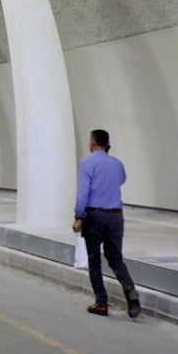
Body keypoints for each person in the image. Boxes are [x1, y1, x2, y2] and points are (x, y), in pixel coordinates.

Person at [73, 129, 141, 318]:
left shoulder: (87, 163)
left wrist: (79, 216)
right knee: (116, 259)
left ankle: (101, 303)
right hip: (116, 216)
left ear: (93, 142)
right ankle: (130, 290)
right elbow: (121, 181)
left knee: (95, 260)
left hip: (95, 216)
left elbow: (83, 193)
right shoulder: (117, 164)